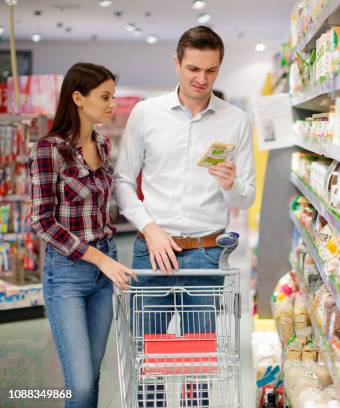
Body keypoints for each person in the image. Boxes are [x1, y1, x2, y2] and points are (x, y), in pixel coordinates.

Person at [114, 26, 255, 405]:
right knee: (150, 363)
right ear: (176, 63)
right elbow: (123, 181)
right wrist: (149, 227)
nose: (201, 79)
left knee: (198, 367)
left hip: (206, 256)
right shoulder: (147, 114)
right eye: (193, 68)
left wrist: (230, 184)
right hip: (152, 253)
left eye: (211, 70)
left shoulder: (235, 121)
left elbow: (246, 198)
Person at [29, 62, 136, 408]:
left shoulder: (103, 146)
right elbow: (43, 221)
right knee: (82, 386)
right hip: (67, 276)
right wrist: (101, 259)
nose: (111, 105)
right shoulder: (49, 151)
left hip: (104, 273)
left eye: (113, 97)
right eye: (104, 97)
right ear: (77, 97)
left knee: (91, 377)